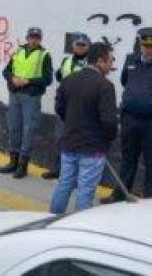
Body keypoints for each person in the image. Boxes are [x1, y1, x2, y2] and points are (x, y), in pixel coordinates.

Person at [108, 27, 152, 201]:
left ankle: (151, 202)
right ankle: (119, 196)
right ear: (141, 45)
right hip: (130, 120)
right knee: (127, 161)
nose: (149, 50)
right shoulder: (131, 60)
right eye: (146, 46)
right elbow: (126, 81)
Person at [49, 42, 119, 213]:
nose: (111, 65)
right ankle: (80, 228)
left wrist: (73, 123)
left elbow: (59, 109)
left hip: (70, 143)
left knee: (64, 184)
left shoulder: (69, 80)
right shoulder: (105, 86)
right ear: (101, 61)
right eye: (110, 60)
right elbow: (109, 122)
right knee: (86, 192)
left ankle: (52, 218)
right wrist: (108, 139)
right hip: (93, 148)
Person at [0, 27, 53, 179]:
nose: (33, 40)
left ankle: (23, 164)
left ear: (40, 39)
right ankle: (13, 161)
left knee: (29, 129)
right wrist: (12, 79)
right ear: (27, 38)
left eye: (36, 37)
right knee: (14, 127)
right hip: (15, 94)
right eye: (31, 37)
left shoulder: (44, 55)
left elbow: (47, 79)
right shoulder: (18, 52)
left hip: (31, 96)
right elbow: (6, 71)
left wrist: (27, 81)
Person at [43, 33, 91, 180]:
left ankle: (75, 173)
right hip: (65, 107)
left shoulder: (91, 63)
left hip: (82, 109)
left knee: (78, 140)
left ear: (88, 47)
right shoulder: (67, 60)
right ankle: (58, 169)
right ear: (73, 46)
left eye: (83, 45)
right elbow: (59, 76)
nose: (80, 48)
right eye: (78, 45)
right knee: (60, 138)